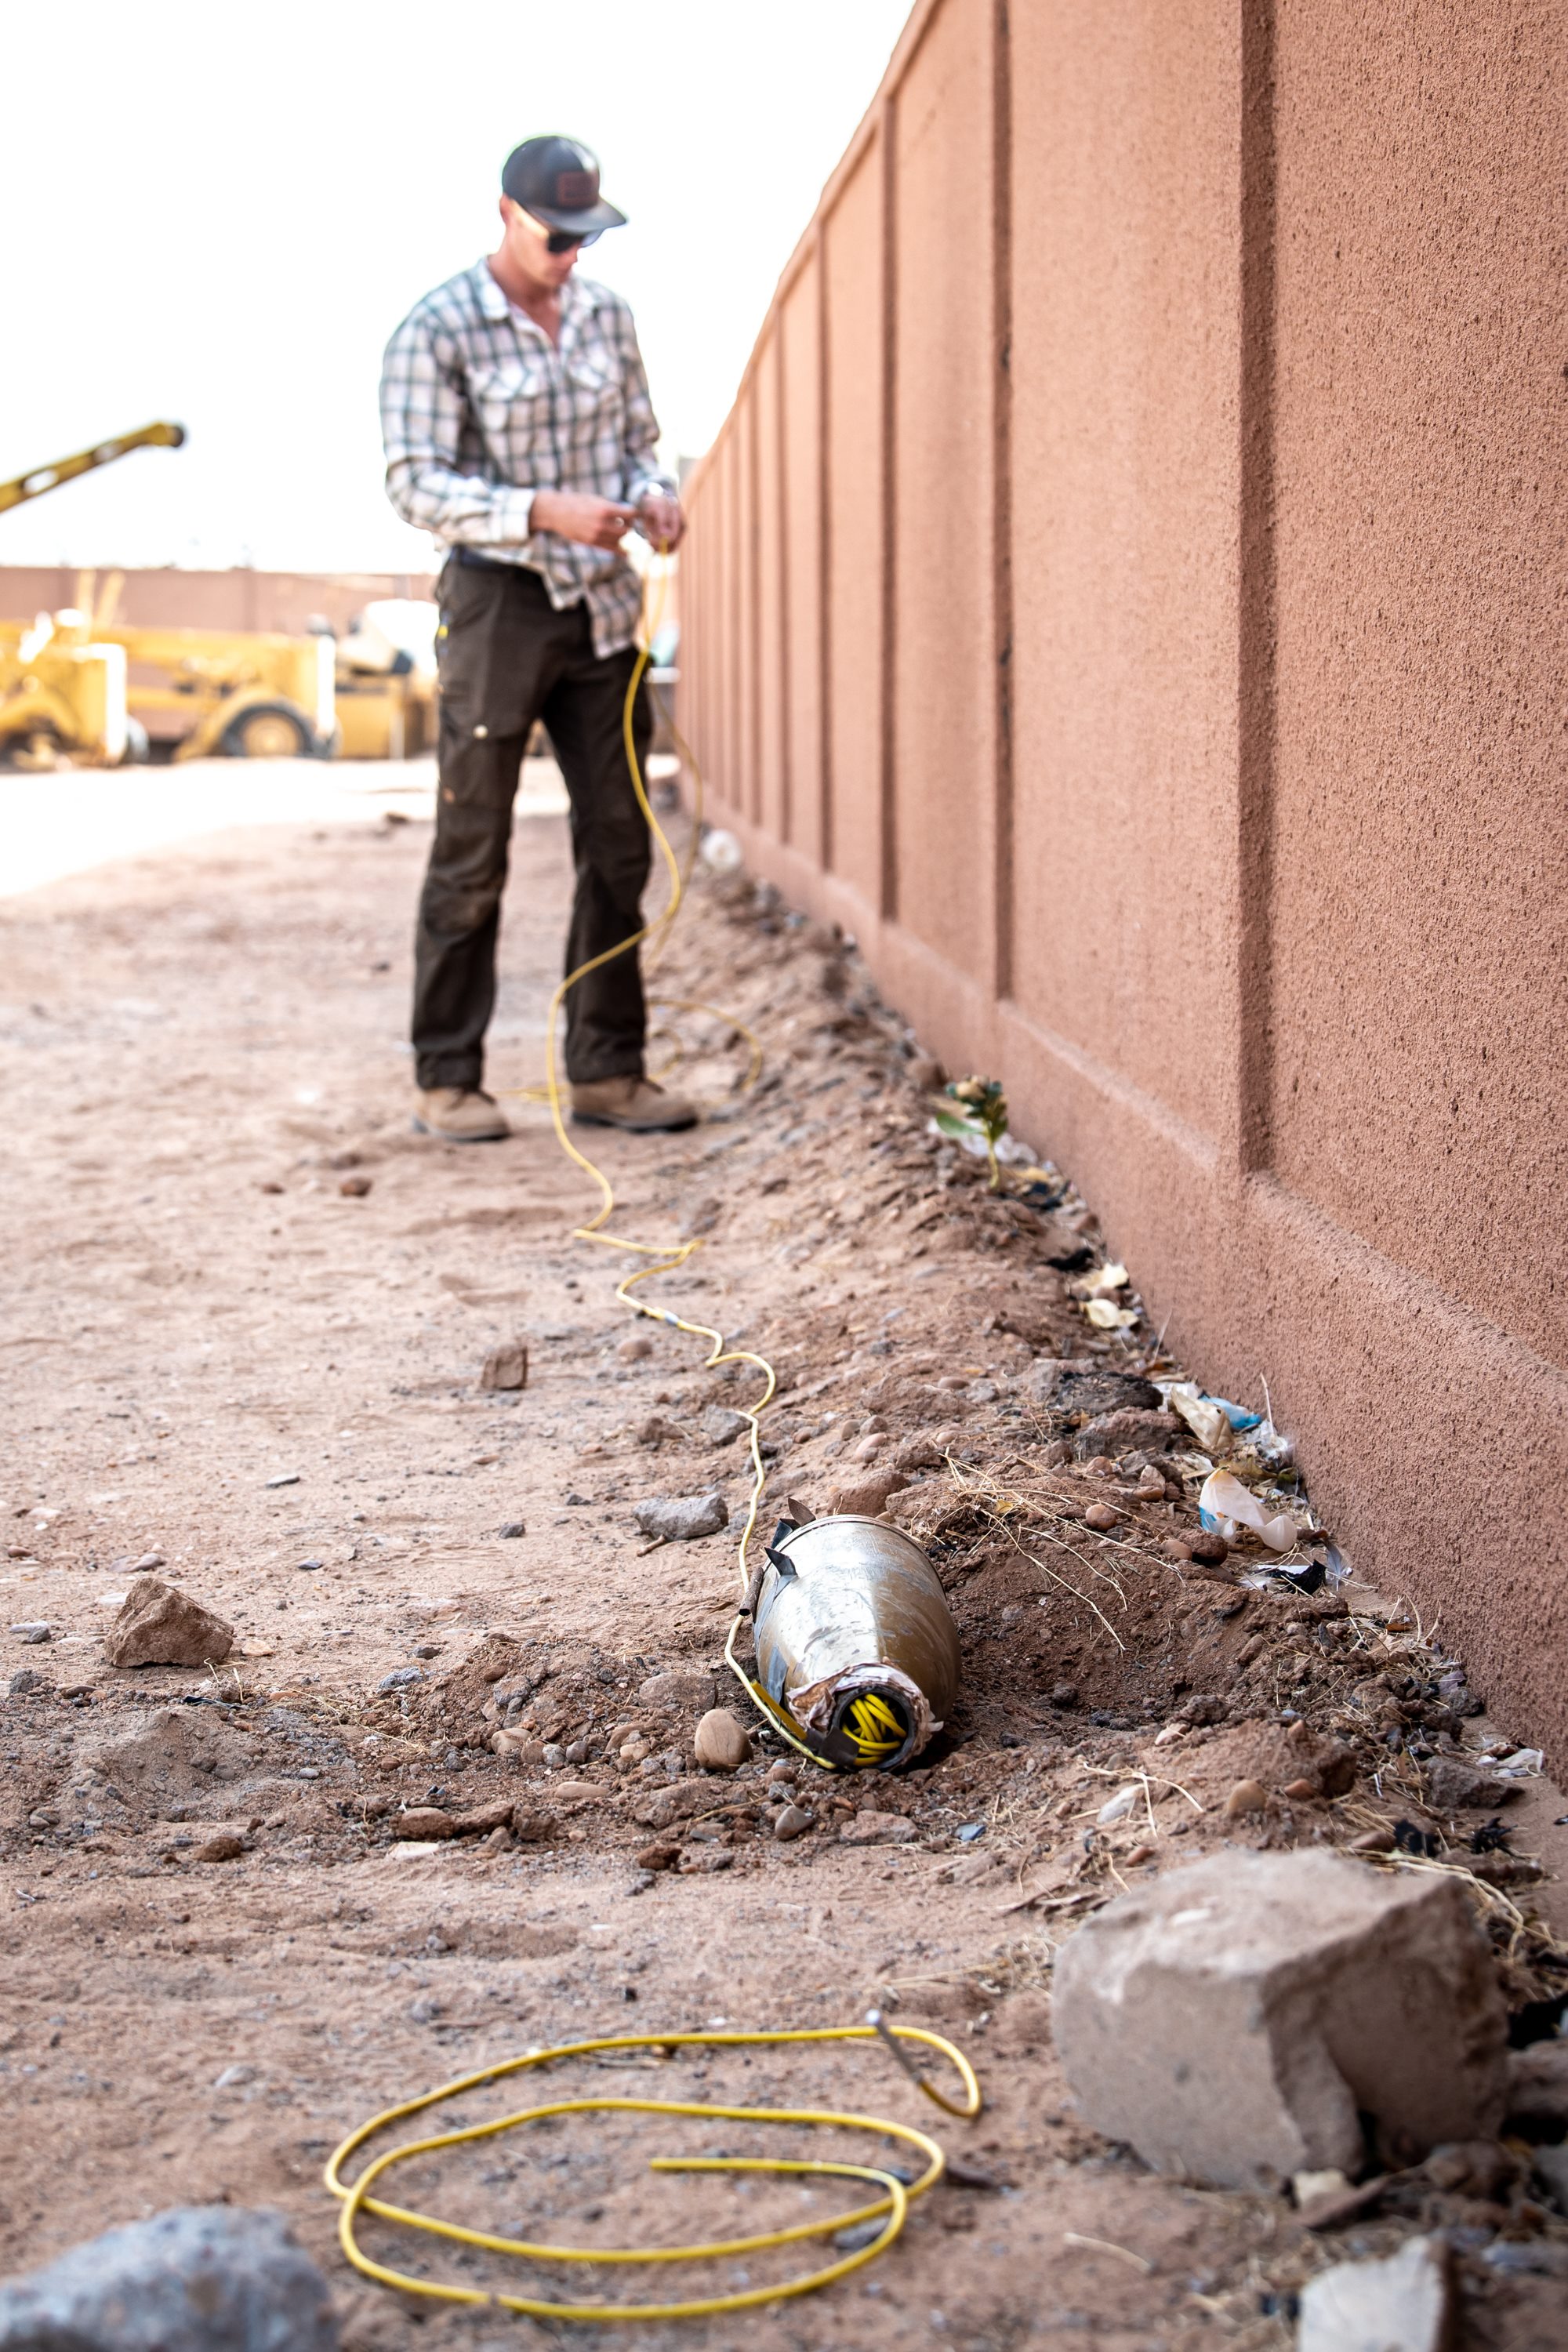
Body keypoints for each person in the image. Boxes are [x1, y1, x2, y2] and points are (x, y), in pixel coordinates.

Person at [379, 135, 695, 1142]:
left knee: (619, 843)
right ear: (506, 215)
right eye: (555, 236)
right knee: (472, 846)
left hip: (603, 611)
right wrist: (538, 511)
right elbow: (413, 483)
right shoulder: (435, 328)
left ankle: (607, 1071)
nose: (570, 255)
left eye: (584, 237)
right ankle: (448, 1080)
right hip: (497, 607)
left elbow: (640, 442)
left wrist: (652, 496)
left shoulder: (608, 316)